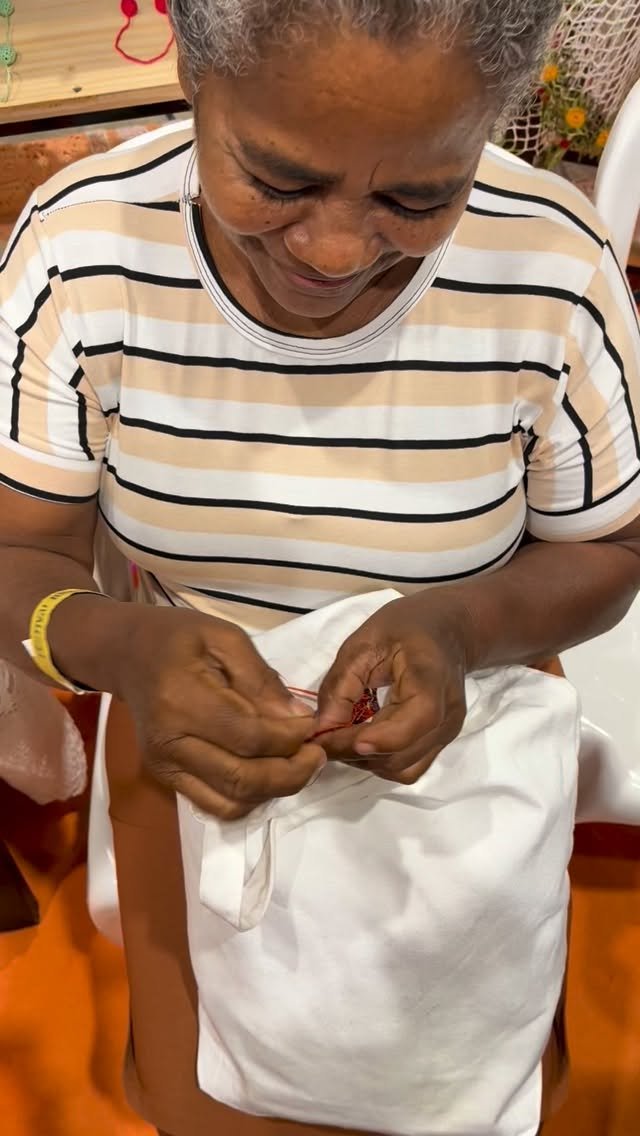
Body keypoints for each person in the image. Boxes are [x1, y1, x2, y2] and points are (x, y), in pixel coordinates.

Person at [1, 0, 640, 1133]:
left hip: (465, 724)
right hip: (184, 730)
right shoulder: (82, 248)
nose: (336, 251)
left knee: (455, 1089)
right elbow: (21, 551)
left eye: (419, 198)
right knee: (210, 1101)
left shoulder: (552, 263)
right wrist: (121, 643)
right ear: (193, 74)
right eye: (277, 179)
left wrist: (458, 629)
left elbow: (608, 549)